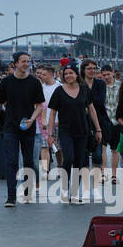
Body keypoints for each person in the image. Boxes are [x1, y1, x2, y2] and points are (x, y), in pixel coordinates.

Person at [0, 51, 45, 207]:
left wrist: (33, 118)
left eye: (28, 61)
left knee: (29, 161)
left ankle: (27, 191)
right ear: (15, 63)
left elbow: (39, 106)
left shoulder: (34, 82)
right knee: (11, 161)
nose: (26, 64)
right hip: (10, 127)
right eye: (23, 61)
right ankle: (11, 197)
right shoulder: (6, 82)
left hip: (28, 127)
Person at [48, 63, 102, 203]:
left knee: (79, 161)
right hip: (65, 130)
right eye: (66, 74)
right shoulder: (59, 91)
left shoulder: (84, 90)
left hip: (82, 130)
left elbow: (92, 110)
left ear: (77, 74)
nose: (68, 76)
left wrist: (98, 129)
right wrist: (50, 134)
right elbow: (53, 113)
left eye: (71, 73)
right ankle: (65, 188)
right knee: (69, 158)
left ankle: (75, 191)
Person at [102, 65, 122, 181]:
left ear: (113, 73)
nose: (106, 77)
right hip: (104, 121)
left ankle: (114, 175)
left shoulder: (120, 86)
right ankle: (104, 173)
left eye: (108, 74)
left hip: (117, 121)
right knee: (103, 148)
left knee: (115, 150)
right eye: (104, 75)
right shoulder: (100, 86)